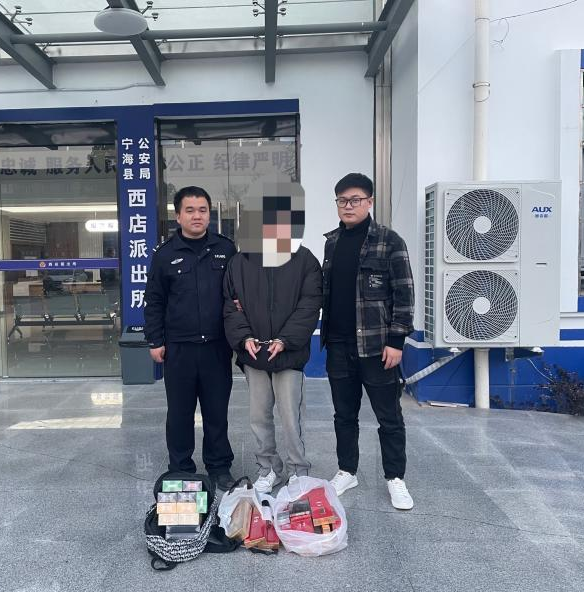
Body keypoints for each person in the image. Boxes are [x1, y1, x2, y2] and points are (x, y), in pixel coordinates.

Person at [322, 173, 415, 510]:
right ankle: (347, 470)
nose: (348, 206)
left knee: (388, 416)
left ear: (369, 202)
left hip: (377, 347)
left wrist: (397, 340)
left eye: (355, 200)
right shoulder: (332, 242)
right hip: (338, 344)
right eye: (342, 200)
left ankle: (395, 478)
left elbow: (404, 293)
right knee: (343, 415)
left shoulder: (390, 241)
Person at [223, 187, 322, 494]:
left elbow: (310, 304)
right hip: (254, 354)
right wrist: (244, 338)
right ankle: (268, 469)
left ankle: (298, 471)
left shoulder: (304, 260)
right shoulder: (240, 262)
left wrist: (285, 339)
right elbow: (230, 304)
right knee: (258, 416)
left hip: (288, 353)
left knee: (291, 417)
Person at [144, 186, 237, 490]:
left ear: (210, 214)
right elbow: (154, 300)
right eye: (190, 210)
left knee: (216, 411)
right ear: (178, 216)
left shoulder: (226, 249)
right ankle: (181, 467)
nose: (197, 216)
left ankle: (219, 466)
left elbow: (238, 294)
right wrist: (155, 340)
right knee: (179, 413)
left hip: (216, 348)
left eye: (202, 210)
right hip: (179, 349)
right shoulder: (165, 254)